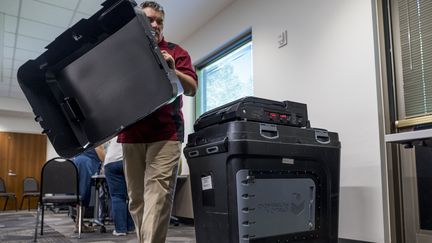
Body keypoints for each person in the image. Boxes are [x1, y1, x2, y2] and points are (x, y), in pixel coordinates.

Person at [117, 1, 198, 242]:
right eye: (150, 19)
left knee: (158, 197)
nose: (155, 24)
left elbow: (192, 89)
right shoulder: (126, 54)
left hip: (166, 134)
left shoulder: (176, 51)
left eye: (159, 21)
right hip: (131, 134)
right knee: (137, 199)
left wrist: (173, 70)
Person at [103, 137, 135, 236]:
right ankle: (130, 227)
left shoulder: (117, 129)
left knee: (117, 197)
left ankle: (120, 230)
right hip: (129, 160)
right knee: (132, 195)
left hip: (111, 162)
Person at [72, 145, 105, 233]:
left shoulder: (83, 140)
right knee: (83, 195)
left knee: (79, 194)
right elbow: (103, 157)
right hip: (85, 164)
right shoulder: (97, 140)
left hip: (75, 162)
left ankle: (79, 224)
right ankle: (79, 225)